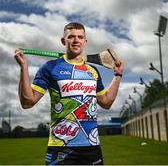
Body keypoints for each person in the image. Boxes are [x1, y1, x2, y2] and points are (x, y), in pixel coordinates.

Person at [14, 22, 124, 165]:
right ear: (63, 41)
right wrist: (23, 67)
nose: (76, 40)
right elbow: (27, 102)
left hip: (91, 146)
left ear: (85, 41)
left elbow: (106, 102)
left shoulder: (93, 71)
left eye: (80, 37)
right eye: (71, 37)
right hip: (60, 146)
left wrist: (117, 76)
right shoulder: (50, 67)